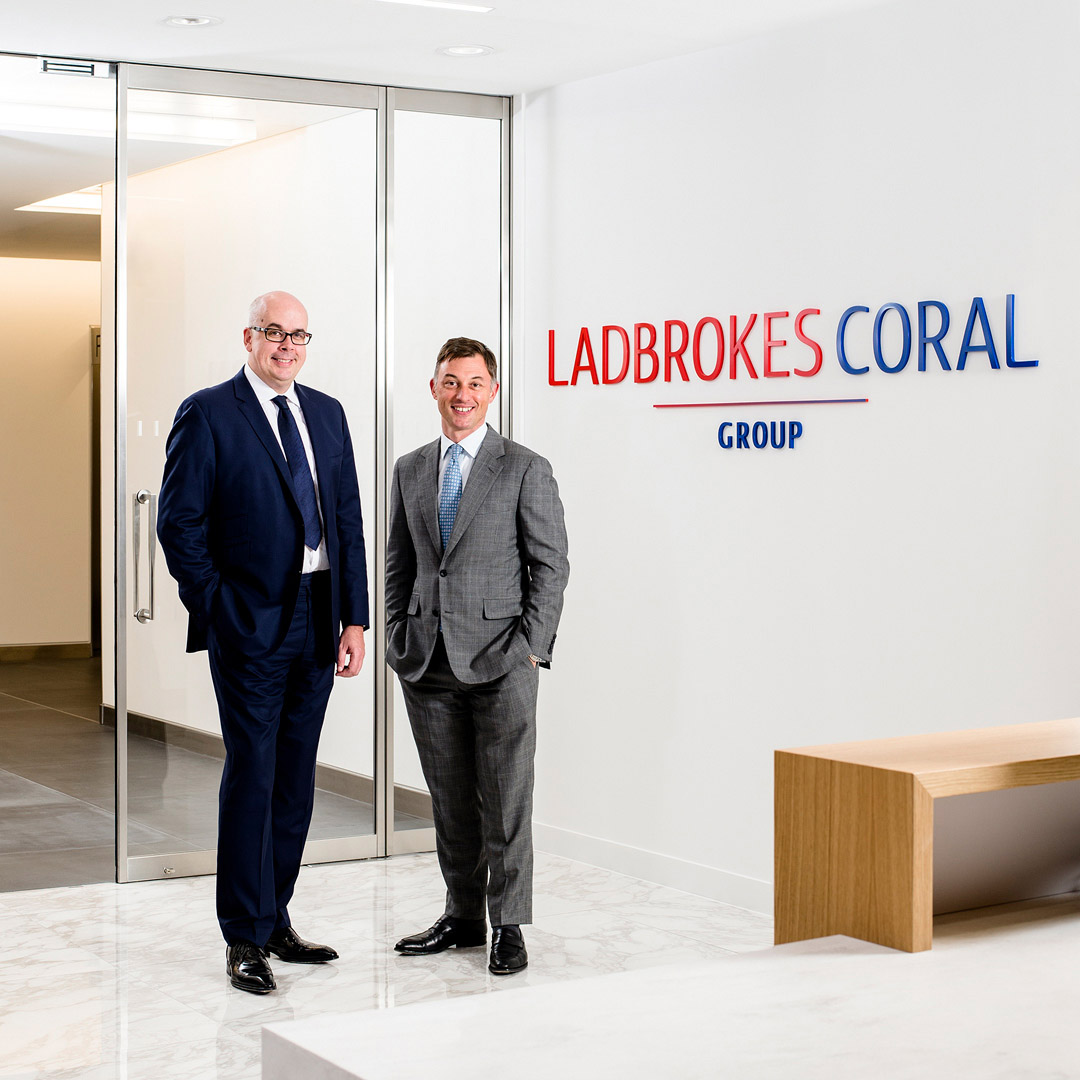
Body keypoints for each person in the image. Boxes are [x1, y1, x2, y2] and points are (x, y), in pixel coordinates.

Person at [157, 291, 369, 994]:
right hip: (249, 619)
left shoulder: (329, 414)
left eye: (299, 335)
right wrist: (219, 609)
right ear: (248, 337)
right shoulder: (210, 412)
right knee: (253, 770)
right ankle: (242, 936)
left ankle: (276, 915)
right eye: (274, 333)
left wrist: (355, 619)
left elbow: (346, 523)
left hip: (318, 614)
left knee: (295, 775)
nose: (287, 346)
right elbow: (179, 525)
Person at [386, 336, 569, 975]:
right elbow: (398, 565)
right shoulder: (409, 468)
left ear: (492, 391)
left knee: (507, 798)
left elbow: (551, 566)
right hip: (427, 662)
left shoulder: (523, 467)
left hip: (501, 662)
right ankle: (462, 916)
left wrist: (530, 652)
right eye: (450, 382)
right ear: (433, 388)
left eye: (473, 383)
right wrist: (395, 633)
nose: (462, 395)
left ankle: (508, 925)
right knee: (450, 801)